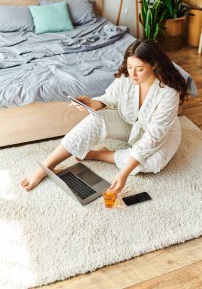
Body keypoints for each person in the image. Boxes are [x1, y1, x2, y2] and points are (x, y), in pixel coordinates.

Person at [21, 39, 187, 194]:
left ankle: (100, 155)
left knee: (152, 162)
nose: (133, 74)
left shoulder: (169, 93)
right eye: (129, 67)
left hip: (163, 135)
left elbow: (153, 137)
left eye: (140, 69)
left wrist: (124, 173)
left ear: (154, 65)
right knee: (95, 119)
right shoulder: (127, 77)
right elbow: (110, 98)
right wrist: (92, 103)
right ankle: (45, 167)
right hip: (130, 124)